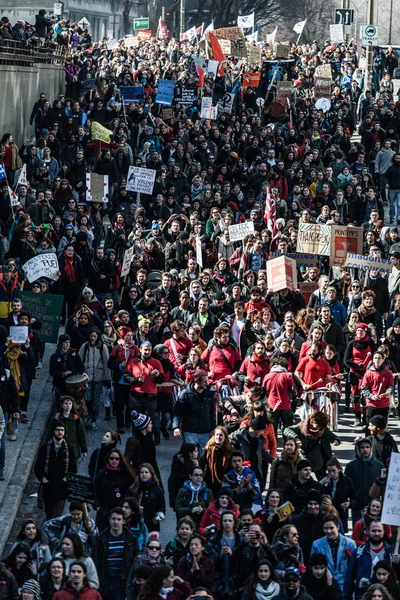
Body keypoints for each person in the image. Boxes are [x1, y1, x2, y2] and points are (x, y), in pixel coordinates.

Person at [91, 507, 139, 600]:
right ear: (109, 520)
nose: (115, 522)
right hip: (105, 581)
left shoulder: (131, 540)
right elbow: (95, 561)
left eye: (118, 519)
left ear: (123, 521)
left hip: (122, 582)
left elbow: (135, 561)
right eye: (113, 519)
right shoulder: (100, 539)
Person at [34, 421, 74, 520]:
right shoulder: (44, 449)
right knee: (48, 513)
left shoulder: (69, 449)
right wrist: (43, 479)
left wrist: (66, 479)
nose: (60, 432)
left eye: (62, 430)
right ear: (53, 431)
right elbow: (38, 467)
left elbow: (73, 468)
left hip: (62, 488)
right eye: (57, 430)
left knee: (57, 514)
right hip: (48, 487)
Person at [344, 522, 393, 600]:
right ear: (368, 532)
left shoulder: (392, 553)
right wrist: (347, 597)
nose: (376, 533)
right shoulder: (358, 552)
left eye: (379, 531)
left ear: (384, 532)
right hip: (362, 595)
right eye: (373, 531)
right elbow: (349, 577)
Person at [283, 412, 341, 479]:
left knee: (322, 479)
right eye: (317, 425)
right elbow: (287, 430)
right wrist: (296, 438)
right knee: (303, 478)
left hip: (319, 459)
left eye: (321, 427)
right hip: (304, 456)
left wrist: (336, 440)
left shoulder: (323, 429)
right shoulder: (301, 427)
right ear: (312, 422)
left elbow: (333, 436)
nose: (319, 428)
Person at [93, 448, 136, 530]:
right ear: (108, 459)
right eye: (111, 458)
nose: (114, 461)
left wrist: (125, 507)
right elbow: (95, 490)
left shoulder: (125, 474)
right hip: (104, 511)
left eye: (117, 459)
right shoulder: (101, 473)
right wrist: (97, 506)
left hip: (120, 511)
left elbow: (130, 492)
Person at [311, 514, 356, 590]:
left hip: (345, 585)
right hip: (325, 585)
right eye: (326, 528)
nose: (329, 531)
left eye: (331, 528)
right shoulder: (316, 545)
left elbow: (354, 566)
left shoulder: (350, 544)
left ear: (338, 527)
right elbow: (313, 566)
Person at [344, 438, 384, 524]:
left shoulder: (379, 465)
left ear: (371, 448)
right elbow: (345, 485)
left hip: (373, 506)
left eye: (367, 447)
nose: (365, 449)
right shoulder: (351, 466)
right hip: (357, 505)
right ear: (358, 449)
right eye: (362, 447)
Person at [172, 370, 215, 448]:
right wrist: (176, 427)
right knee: (190, 456)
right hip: (190, 431)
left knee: (203, 457)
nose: (207, 383)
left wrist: (213, 428)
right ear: (197, 381)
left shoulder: (209, 394)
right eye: (204, 381)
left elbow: (212, 412)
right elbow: (177, 411)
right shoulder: (185, 394)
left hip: (205, 431)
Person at [231, 522, 278, 592]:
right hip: (244, 586)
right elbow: (233, 561)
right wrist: (243, 543)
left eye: (257, 532)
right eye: (251, 533)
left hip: (262, 585)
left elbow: (275, 562)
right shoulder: (242, 547)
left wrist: (266, 545)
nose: (254, 535)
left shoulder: (265, 549)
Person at [319, 457, 357, 533]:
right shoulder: (324, 479)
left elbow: (355, 498)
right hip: (325, 513)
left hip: (340, 513)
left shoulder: (346, 481)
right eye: (329, 471)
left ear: (339, 469)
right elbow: (315, 493)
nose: (331, 474)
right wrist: (321, 483)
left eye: (333, 471)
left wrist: (349, 504)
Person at [290, 490, 325, 563]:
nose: (313, 507)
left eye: (315, 504)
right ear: (306, 504)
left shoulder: (326, 520)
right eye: (310, 504)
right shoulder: (297, 520)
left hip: (321, 560)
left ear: (319, 505)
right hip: (302, 559)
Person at [130, 463, 166, 532]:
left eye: (146, 472)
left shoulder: (157, 490)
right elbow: (128, 504)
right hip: (136, 524)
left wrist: (160, 514)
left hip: (153, 525)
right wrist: (135, 509)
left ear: (151, 474)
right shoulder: (134, 489)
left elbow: (162, 506)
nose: (144, 474)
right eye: (142, 472)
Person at [201, 426, 235, 496]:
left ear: (225, 437)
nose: (218, 437)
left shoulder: (230, 451)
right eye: (217, 435)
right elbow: (201, 464)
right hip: (210, 481)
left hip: (225, 481)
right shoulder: (208, 450)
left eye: (221, 435)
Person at [53, 396, 87, 462]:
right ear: (62, 405)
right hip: (59, 447)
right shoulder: (57, 417)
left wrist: (84, 448)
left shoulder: (76, 418)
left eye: (70, 403)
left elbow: (81, 433)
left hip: (73, 448)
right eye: (66, 403)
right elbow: (51, 431)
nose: (68, 405)